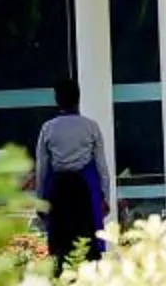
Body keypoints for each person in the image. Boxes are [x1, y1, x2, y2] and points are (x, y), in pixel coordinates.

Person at [30, 76, 110, 273]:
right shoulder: (91, 127)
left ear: (57, 100)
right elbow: (102, 167)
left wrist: (40, 201)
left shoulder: (48, 128)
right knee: (86, 244)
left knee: (60, 246)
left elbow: (42, 169)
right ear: (78, 98)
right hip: (84, 190)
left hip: (58, 190)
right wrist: (105, 197)